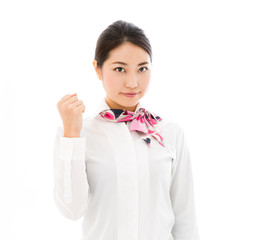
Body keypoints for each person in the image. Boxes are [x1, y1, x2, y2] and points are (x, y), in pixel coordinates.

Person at [53, 20, 200, 240]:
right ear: (97, 68)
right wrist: (72, 136)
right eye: (119, 69)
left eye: (142, 68)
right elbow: (71, 210)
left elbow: (185, 218)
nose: (132, 82)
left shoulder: (170, 133)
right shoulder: (78, 133)